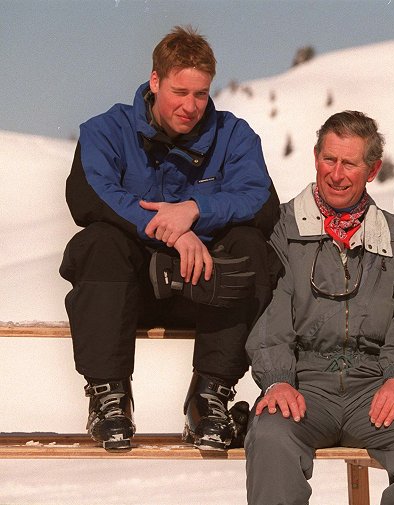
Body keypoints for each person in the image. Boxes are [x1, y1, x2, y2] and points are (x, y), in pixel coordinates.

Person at [59, 26, 280, 451]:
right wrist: (173, 232)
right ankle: (109, 397)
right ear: (155, 81)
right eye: (180, 92)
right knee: (98, 242)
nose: (191, 106)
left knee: (251, 248)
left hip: (205, 286)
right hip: (128, 289)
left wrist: (195, 209)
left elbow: (260, 200)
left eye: (201, 94)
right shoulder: (106, 130)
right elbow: (90, 197)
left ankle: (209, 397)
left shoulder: (234, 134)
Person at [244, 111, 394, 505]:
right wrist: (277, 379)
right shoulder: (283, 227)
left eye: (350, 164)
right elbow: (270, 314)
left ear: (372, 170)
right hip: (304, 385)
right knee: (271, 438)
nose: (336, 174)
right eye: (329, 159)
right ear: (315, 156)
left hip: (373, 388)